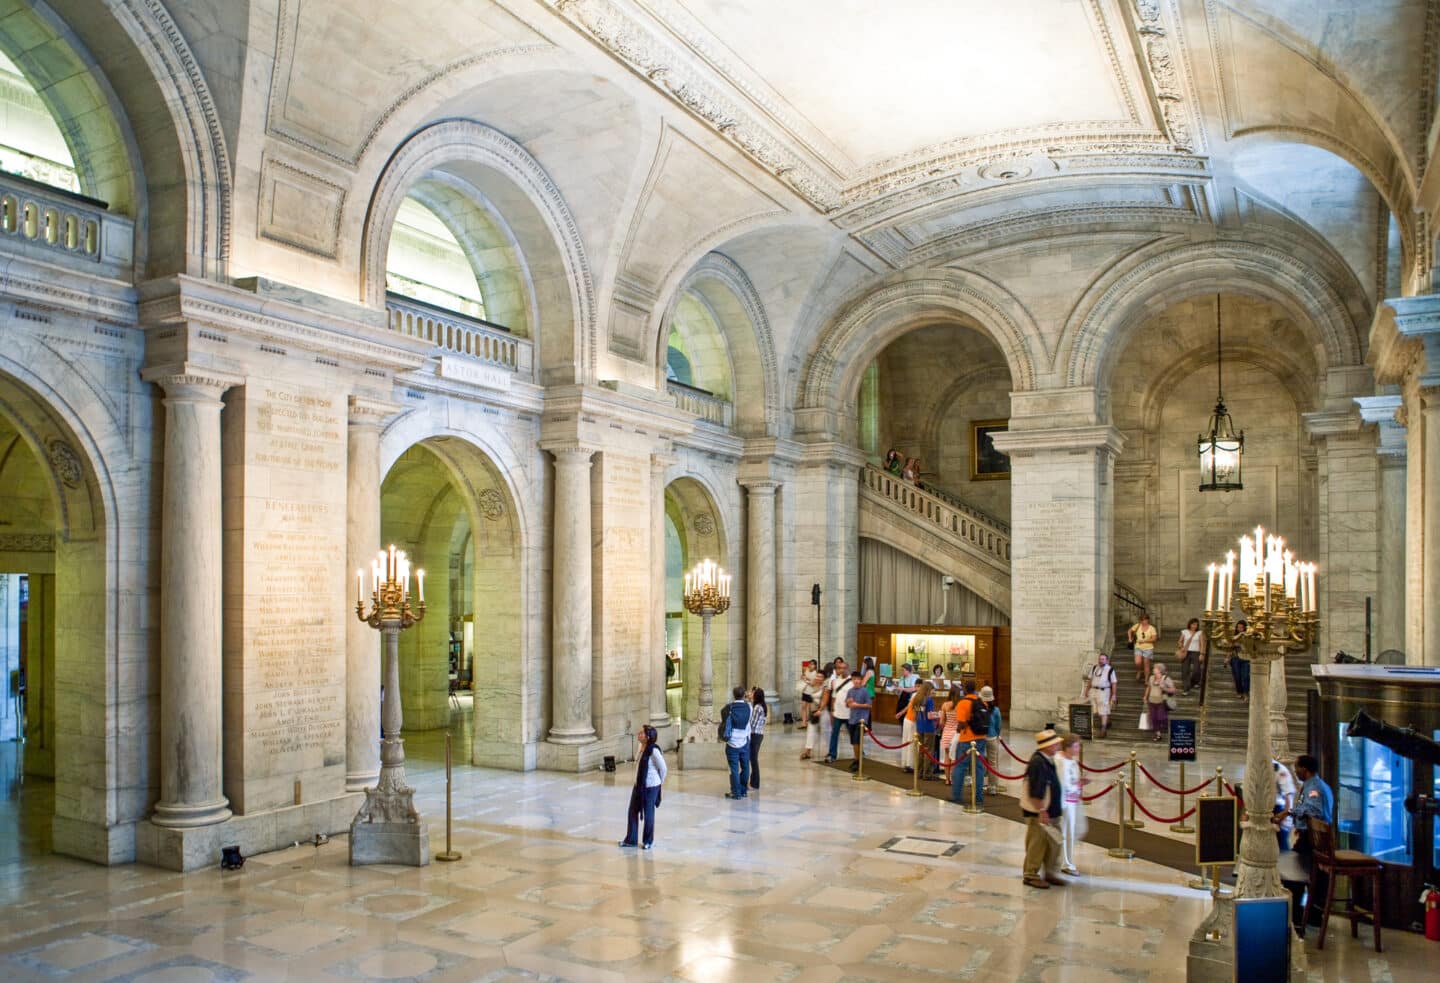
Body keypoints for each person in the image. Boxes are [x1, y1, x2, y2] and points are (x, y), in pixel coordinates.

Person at [1274, 753, 1334, 937]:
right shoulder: (1311, 785)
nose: (1295, 772)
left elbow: (1313, 809)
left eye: (1296, 768)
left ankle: (1297, 915)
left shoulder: (1314, 787)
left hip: (1312, 842)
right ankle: (1303, 913)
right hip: (1308, 839)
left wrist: (1289, 812)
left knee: (1293, 874)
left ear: (1305, 770)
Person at [1021, 728, 1066, 889]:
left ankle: (1050, 872)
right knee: (1037, 843)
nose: (1058, 745)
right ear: (1046, 746)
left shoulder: (1049, 759)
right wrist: (1042, 811)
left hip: (1051, 810)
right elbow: (1035, 790)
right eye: (1054, 744)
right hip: (1038, 812)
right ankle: (1030, 874)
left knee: (1054, 842)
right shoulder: (1038, 763)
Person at [619, 724, 665, 849]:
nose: (639, 734)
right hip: (638, 785)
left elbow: (663, 768)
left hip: (650, 786)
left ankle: (648, 841)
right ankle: (631, 840)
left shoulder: (653, 750)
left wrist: (659, 782)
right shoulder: (640, 746)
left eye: (641, 733)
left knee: (649, 813)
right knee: (632, 811)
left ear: (648, 737)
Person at [950, 680, 985, 807]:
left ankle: (957, 796)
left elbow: (961, 722)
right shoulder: (980, 701)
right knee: (979, 768)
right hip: (981, 738)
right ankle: (979, 797)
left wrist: (959, 729)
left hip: (967, 739)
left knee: (960, 767)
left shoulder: (962, 703)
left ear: (964, 689)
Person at [1057, 732, 1085, 875]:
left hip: (1071, 801)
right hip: (1065, 802)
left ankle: (1062, 859)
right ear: (1067, 747)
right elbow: (1064, 784)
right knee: (1066, 832)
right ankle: (1066, 863)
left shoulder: (1070, 760)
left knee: (1068, 831)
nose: (1078, 749)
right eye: (1075, 746)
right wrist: (1078, 785)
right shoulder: (1061, 761)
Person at [721, 686, 752, 799]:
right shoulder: (749, 707)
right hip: (744, 742)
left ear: (733, 695)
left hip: (732, 743)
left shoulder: (728, 708)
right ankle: (743, 791)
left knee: (733, 769)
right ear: (743, 695)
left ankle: (736, 792)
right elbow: (749, 723)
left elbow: (723, 721)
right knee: (745, 767)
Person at [823, 659, 853, 763]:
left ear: (848, 669)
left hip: (849, 714)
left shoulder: (853, 682)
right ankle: (832, 754)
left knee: (853, 735)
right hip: (837, 713)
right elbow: (834, 696)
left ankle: (859, 752)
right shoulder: (834, 681)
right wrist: (832, 709)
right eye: (840, 668)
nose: (842, 670)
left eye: (844, 668)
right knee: (834, 734)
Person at [1082, 652, 1117, 738]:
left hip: (1104, 691)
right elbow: (1090, 680)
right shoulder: (1094, 668)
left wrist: (1114, 695)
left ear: (1107, 660)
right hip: (1094, 691)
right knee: (1096, 710)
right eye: (1100, 659)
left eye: (1103, 659)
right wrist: (1086, 690)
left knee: (1103, 709)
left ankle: (1103, 729)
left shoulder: (1110, 669)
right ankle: (1107, 721)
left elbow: (1114, 683)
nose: (1101, 661)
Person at [844, 670, 872, 771]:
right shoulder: (850, 691)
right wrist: (848, 702)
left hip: (861, 721)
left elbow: (869, 705)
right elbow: (847, 704)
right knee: (854, 742)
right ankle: (857, 759)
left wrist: (857, 705)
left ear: (861, 680)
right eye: (854, 679)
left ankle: (857, 761)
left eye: (858, 679)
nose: (856, 681)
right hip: (852, 719)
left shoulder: (864, 691)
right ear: (852, 680)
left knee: (857, 740)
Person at [980, 685, 1004, 796]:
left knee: (980, 762)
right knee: (993, 763)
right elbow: (999, 725)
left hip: (980, 738)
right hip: (992, 737)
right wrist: (997, 734)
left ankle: (979, 785)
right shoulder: (996, 710)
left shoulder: (979, 708)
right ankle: (992, 786)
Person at [798, 663, 824, 760]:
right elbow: (810, 684)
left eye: (821, 676)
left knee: (827, 732)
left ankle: (831, 751)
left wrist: (821, 710)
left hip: (823, 711)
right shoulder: (815, 685)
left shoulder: (825, 688)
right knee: (811, 731)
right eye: (818, 676)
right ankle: (808, 751)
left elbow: (825, 700)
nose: (818, 678)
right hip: (815, 712)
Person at [912, 681, 938, 779]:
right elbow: (930, 715)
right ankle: (927, 773)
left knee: (921, 750)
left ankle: (920, 771)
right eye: (932, 689)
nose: (933, 691)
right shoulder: (929, 700)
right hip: (929, 727)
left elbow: (916, 713)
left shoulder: (917, 699)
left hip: (920, 727)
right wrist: (938, 715)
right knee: (929, 751)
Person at [1144, 663, 1176, 743]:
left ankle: (1165, 725)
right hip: (1152, 701)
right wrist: (1145, 696)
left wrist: (1164, 688)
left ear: (1160, 670)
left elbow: (1173, 690)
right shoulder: (1151, 678)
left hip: (1161, 701)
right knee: (1154, 718)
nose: (1153, 669)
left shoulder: (1166, 679)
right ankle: (1158, 735)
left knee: (1161, 717)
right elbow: (1148, 687)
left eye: (1155, 668)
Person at [1272, 758, 1298, 852]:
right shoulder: (1257, 767)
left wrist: (1285, 814)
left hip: (1279, 810)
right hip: (1264, 809)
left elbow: (1289, 795)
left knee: (1281, 843)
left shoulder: (1279, 770)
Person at [1177, 617, 1206, 695]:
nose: (1195, 626)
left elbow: (1202, 644)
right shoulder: (1184, 632)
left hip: (1196, 652)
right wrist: (1181, 647)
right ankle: (1186, 688)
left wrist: (1202, 654)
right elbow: (1179, 641)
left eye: (1196, 625)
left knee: (1196, 670)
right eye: (1193, 624)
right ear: (1190, 624)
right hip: (1186, 652)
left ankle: (1194, 682)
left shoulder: (1199, 633)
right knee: (1185, 670)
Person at [1128, 612, 1158, 682]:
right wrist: (1129, 638)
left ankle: (1146, 679)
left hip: (1148, 648)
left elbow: (1154, 639)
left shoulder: (1152, 628)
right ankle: (1139, 671)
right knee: (1137, 662)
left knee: (1146, 664)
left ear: (1148, 620)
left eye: (1146, 620)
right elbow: (1129, 631)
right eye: (1143, 620)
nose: (1144, 621)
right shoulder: (1137, 625)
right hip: (1138, 647)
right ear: (1140, 620)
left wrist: (1144, 641)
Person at [747, 687, 767, 791]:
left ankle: (754, 784)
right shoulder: (761, 706)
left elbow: (752, 724)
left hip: (755, 735)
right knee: (753, 759)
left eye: (753, 693)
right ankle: (753, 782)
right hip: (759, 735)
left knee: (753, 760)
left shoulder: (757, 708)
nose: (751, 694)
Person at [1227, 620, 1251, 701]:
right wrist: (1227, 658)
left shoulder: (1248, 637)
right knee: (1237, 676)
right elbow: (1230, 648)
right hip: (1235, 658)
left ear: (1244, 628)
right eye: (1238, 627)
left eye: (1241, 627)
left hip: (1246, 658)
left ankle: (1246, 693)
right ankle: (1239, 691)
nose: (1239, 629)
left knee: (1245, 676)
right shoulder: (1234, 637)